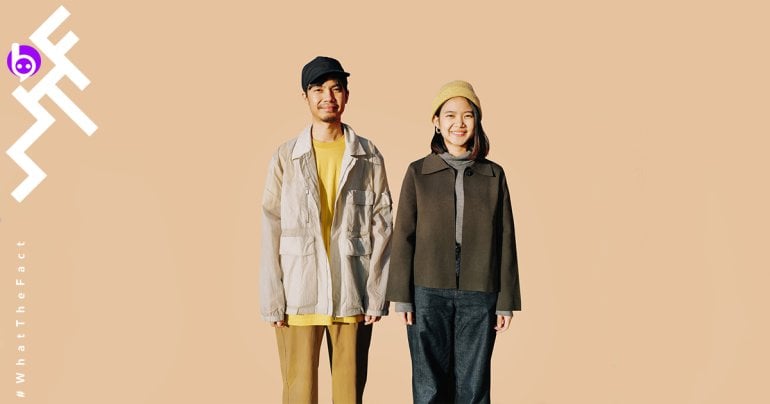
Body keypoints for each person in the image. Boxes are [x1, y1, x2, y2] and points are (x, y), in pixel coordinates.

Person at [260, 56, 393, 404]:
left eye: (336, 88)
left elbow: (382, 226)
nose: (328, 97)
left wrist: (377, 293)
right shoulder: (285, 157)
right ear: (305, 97)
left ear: (346, 95)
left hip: (351, 289)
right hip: (298, 291)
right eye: (318, 89)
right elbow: (271, 226)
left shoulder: (368, 156)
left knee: (349, 394)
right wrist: (272, 299)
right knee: (298, 393)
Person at [386, 80, 521, 403]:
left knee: (473, 387)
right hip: (427, 289)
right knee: (428, 386)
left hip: (480, 290)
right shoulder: (418, 172)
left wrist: (506, 301)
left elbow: (506, 239)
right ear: (436, 121)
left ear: (477, 121)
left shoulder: (494, 175)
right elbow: (403, 235)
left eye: (467, 115)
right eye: (449, 115)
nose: (458, 123)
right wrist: (402, 297)